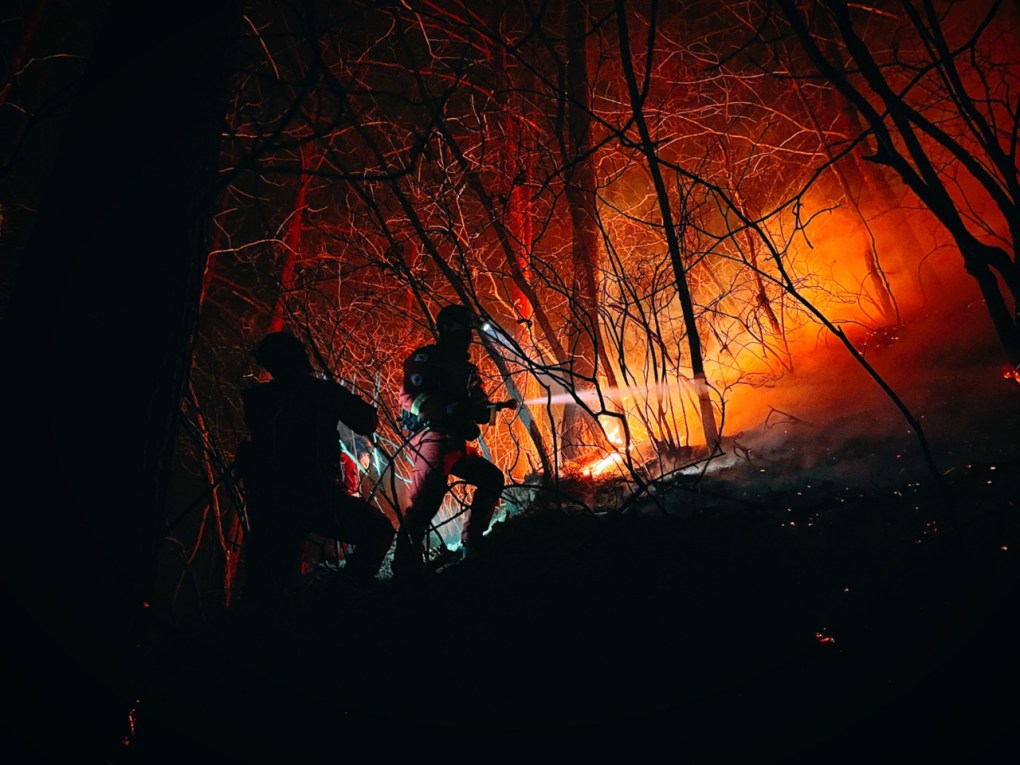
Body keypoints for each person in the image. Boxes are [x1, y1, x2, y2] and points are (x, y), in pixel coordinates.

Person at [236, 330, 395, 606]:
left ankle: (256, 624)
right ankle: (339, 600)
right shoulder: (318, 392)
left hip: (269, 498)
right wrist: (333, 395)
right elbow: (367, 421)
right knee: (378, 530)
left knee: (265, 582)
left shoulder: (259, 399)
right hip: (312, 494)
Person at [392, 304, 516, 578]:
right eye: (462, 329)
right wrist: (445, 410)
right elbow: (409, 397)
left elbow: (479, 407)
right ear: (447, 330)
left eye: (468, 330)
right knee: (425, 503)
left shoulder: (468, 370)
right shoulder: (426, 359)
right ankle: (404, 570)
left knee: (491, 479)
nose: (467, 336)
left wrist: (489, 409)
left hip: (455, 443)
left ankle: (472, 544)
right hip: (432, 439)